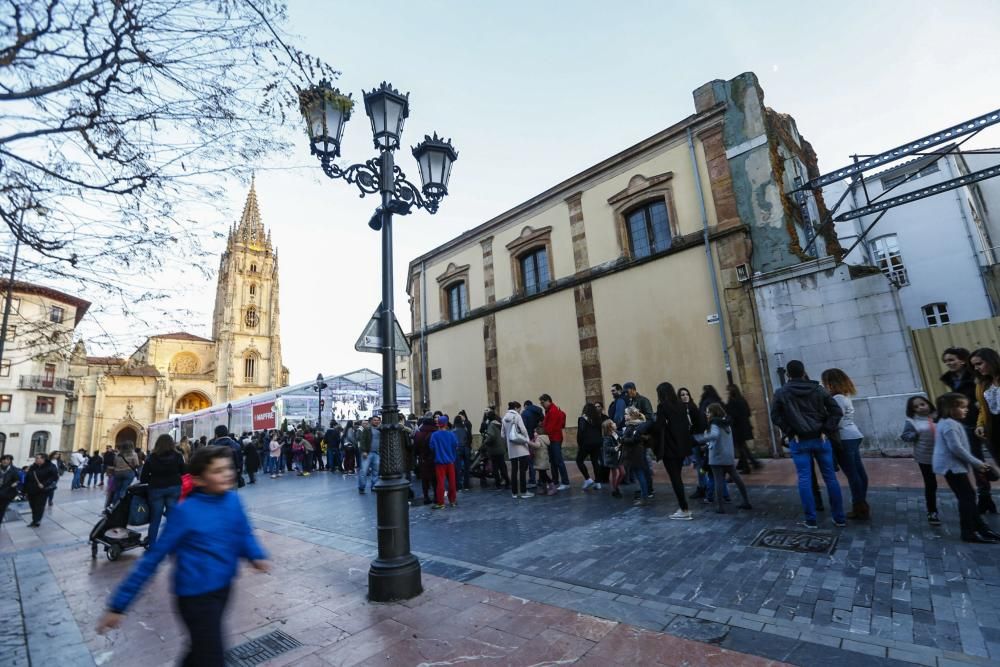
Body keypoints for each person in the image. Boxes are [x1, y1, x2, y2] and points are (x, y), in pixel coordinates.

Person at [97, 446, 270, 664]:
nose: (227, 474)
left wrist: (255, 554)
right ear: (198, 480)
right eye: (217, 471)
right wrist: (118, 605)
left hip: (223, 588)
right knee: (211, 656)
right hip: (195, 597)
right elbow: (152, 559)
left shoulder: (232, 501)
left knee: (200, 650)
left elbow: (243, 532)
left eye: (228, 468)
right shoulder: (184, 513)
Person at [770, 359, 846, 529]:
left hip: (799, 440)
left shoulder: (781, 392)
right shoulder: (818, 389)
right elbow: (836, 411)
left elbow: (775, 416)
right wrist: (826, 429)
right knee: (830, 478)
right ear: (804, 372)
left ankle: (811, 519)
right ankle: (839, 517)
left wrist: (790, 431)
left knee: (804, 479)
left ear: (788, 374)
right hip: (820, 438)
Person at [934, 392, 1000, 543]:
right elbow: (956, 448)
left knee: (968, 497)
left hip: (952, 466)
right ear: (950, 409)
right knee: (967, 498)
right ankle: (968, 532)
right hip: (951, 466)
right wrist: (977, 463)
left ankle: (982, 528)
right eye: (962, 407)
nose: (966, 409)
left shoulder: (948, 423)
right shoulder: (949, 425)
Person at [821, 368, 870, 520]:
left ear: (830, 383)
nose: (823, 385)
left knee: (852, 474)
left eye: (825, 382)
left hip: (844, 437)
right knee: (859, 473)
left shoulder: (837, 399)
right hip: (852, 435)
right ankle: (861, 503)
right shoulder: (844, 396)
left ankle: (859, 506)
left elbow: (837, 421)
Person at [941, 347, 987, 507]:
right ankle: (985, 496)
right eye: (946, 361)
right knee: (976, 459)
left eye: (951, 359)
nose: (949, 363)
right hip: (966, 423)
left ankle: (985, 496)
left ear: (962, 360)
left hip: (984, 421)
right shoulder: (952, 379)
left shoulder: (976, 375)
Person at [694, 403, 752, 513]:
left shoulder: (715, 424)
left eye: (708, 412)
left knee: (719, 481)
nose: (706, 414)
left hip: (717, 457)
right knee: (737, 479)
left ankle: (720, 507)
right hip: (728, 456)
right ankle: (746, 501)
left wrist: (700, 438)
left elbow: (714, 436)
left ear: (713, 412)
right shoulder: (726, 423)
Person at [655, 382, 694, 520]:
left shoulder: (662, 406)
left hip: (670, 448)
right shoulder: (681, 405)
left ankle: (684, 509)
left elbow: (659, 426)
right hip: (682, 447)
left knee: (675, 478)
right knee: (678, 477)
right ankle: (684, 507)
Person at [901, 395, 940, 526]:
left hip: (943, 455)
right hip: (925, 457)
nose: (920, 408)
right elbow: (905, 436)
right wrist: (915, 434)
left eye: (922, 404)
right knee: (931, 484)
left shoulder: (938, 416)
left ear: (928, 403)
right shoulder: (912, 421)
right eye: (916, 407)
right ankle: (932, 511)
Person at [140, 434, 186, 547]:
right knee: (172, 517)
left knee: (155, 519)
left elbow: (143, 478)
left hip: (156, 489)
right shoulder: (178, 456)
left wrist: (153, 478)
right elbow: (184, 472)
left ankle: (152, 544)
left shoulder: (152, 457)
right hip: (174, 488)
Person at [970, 348, 1000, 514]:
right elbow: (983, 407)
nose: (977, 368)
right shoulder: (982, 384)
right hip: (993, 430)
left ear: (991, 360)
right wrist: (980, 424)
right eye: (974, 366)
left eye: (979, 364)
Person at [725, 386, 761, 474]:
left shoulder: (732, 402)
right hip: (744, 426)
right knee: (743, 447)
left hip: (737, 428)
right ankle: (753, 463)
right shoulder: (742, 400)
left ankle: (747, 467)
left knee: (741, 448)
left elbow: (731, 415)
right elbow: (748, 412)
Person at [501, 401, 532, 499]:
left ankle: (514, 493)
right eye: (519, 409)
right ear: (516, 408)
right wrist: (527, 440)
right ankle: (523, 492)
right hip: (521, 447)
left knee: (514, 470)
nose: (519, 410)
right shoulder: (517, 416)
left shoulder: (504, 418)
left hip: (511, 448)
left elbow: (502, 434)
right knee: (522, 470)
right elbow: (523, 429)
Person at [622, 407, 651, 506]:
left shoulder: (633, 426)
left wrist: (623, 439)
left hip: (634, 454)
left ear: (631, 416)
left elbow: (634, 439)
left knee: (640, 475)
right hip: (637, 453)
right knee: (640, 474)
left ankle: (644, 497)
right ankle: (645, 495)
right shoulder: (637, 425)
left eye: (626, 414)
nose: (624, 416)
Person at [539, 394, 569, 489]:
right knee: (553, 461)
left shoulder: (553, 411)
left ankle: (565, 482)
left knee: (558, 461)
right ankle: (555, 481)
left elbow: (550, 428)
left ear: (548, 401)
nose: (542, 405)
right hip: (552, 439)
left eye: (543, 402)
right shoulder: (549, 411)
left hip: (555, 439)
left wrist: (542, 431)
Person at [429, 415, 459, 509]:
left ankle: (441, 502)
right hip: (450, 461)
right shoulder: (451, 434)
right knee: (452, 482)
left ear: (439, 424)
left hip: (439, 462)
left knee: (440, 483)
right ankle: (452, 501)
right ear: (446, 424)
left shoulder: (434, 435)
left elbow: (432, 447)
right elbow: (456, 446)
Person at [25, 453, 58, 527]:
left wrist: (44, 484)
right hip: (31, 489)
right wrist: (26, 490)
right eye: (35, 458)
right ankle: (34, 519)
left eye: (37, 458)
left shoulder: (51, 466)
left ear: (43, 459)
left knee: (39, 506)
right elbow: (28, 478)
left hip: (42, 490)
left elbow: (54, 477)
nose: (36, 459)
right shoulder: (33, 466)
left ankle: (37, 521)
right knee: (33, 506)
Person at [576, 403, 604, 490]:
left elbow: (580, 432)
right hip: (597, 442)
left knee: (579, 460)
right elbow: (600, 431)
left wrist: (580, 444)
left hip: (587, 443)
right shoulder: (597, 418)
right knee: (595, 461)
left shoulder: (582, 419)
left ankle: (588, 479)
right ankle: (598, 482)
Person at [484, 410, 510, 490]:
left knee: (495, 467)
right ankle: (507, 482)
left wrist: (486, 442)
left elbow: (491, 436)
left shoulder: (491, 425)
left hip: (494, 449)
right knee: (502, 466)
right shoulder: (500, 424)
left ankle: (498, 483)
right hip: (501, 448)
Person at [109, 442, 140, 508]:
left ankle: (113, 504)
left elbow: (114, 463)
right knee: (124, 489)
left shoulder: (118, 455)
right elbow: (137, 464)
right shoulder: (134, 454)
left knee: (117, 490)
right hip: (128, 473)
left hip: (117, 473)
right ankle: (120, 505)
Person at [413, 415, 437, 503]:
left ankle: (426, 497)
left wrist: (417, 456)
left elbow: (415, 448)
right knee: (435, 479)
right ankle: (436, 496)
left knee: (425, 480)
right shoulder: (435, 433)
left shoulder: (418, 434)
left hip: (423, 459)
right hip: (434, 459)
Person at [521, 400, 544, 488]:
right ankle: (542, 480)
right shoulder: (539, 411)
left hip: (529, 439)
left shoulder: (525, 413)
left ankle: (532, 480)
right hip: (539, 437)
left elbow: (524, 428)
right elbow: (542, 422)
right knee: (540, 459)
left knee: (530, 460)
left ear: (526, 405)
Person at [357, 415, 382, 494]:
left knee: (376, 471)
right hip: (368, 453)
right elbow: (362, 440)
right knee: (363, 471)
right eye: (375, 420)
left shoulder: (381, 430)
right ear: (371, 421)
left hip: (377, 453)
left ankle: (374, 486)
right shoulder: (367, 429)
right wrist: (364, 451)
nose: (376, 421)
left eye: (377, 420)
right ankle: (362, 487)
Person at [601, 419, 624, 498]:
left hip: (618, 456)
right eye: (613, 423)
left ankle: (616, 486)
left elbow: (622, 435)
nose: (615, 423)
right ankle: (614, 490)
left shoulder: (616, 433)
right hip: (612, 458)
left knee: (622, 473)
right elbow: (606, 448)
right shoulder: (607, 437)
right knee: (614, 474)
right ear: (609, 427)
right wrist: (615, 448)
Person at [530, 425, 554, 495]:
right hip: (542, 459)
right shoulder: (544, 438)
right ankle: (544, 489)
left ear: (539, 432)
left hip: (541, 460)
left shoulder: (539, 438)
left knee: (543, 474)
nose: (534, 433)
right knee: (542, 474)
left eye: (535, 432)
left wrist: (529, 442)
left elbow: (537, 445)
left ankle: (552, 487)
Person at [453, 415, 473, 491]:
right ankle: (466, 485)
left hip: (458, 449)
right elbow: (470, 438)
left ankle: (459, 486)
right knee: (466, 468)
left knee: (458, 468)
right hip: (466, 449)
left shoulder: (453, 430)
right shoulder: (465, 429)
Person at [0, 455, 18, 527]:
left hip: (7, 493)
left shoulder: (14, 470)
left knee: (1, 509)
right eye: (3, 459)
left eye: (7, 459)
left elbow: (18, 480)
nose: (5, 461)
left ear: (10, 461)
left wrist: (15, 483)